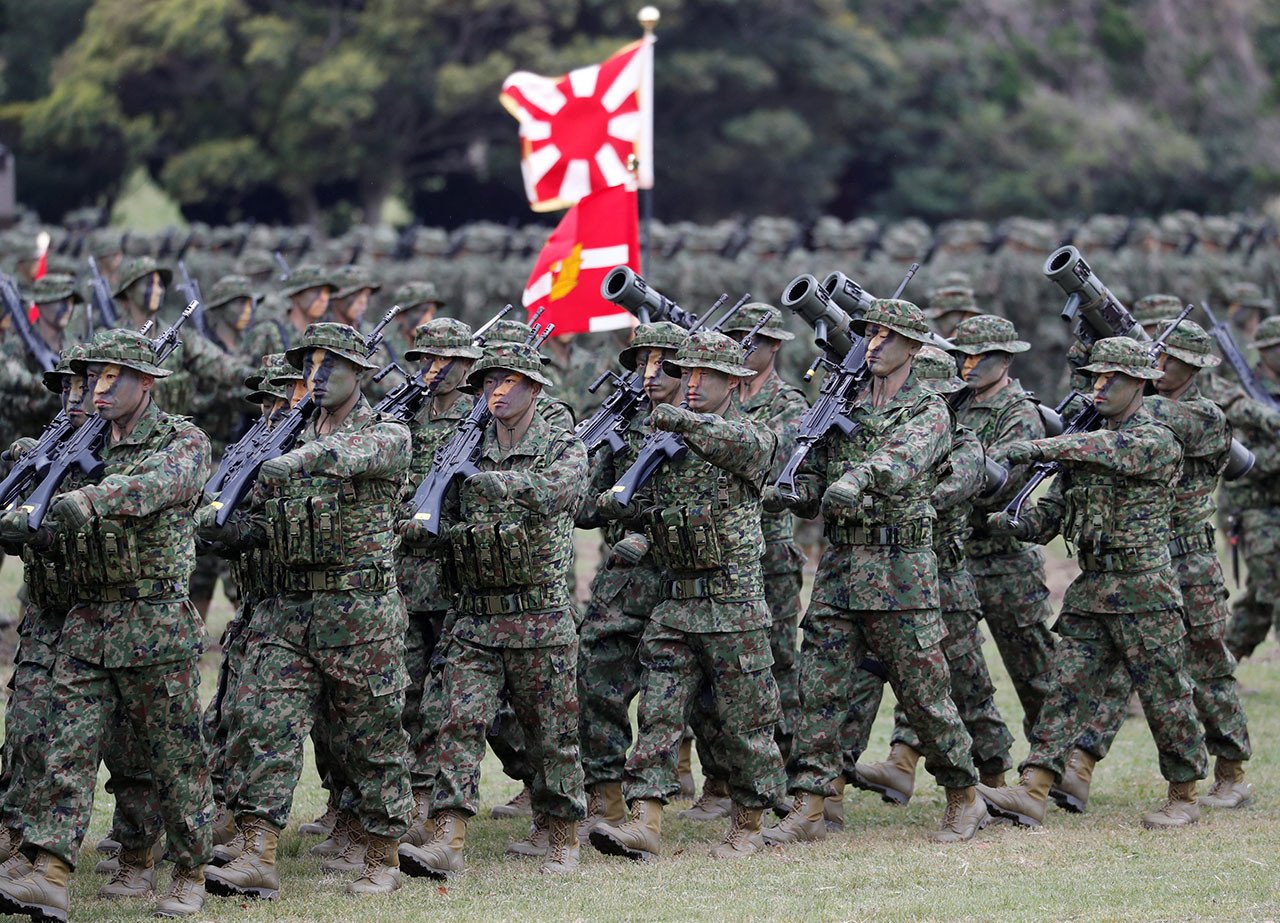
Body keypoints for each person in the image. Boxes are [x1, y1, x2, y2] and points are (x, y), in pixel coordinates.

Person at [0, 328, 215, 919]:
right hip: (86, 621)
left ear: (145, 383)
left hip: (154, 623)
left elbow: (158, 487)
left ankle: (192, 868)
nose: (98, 386)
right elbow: (47, 519)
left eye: (112, 376)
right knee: (64, 751)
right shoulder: (77, 441)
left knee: (173, 757)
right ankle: (50, 871)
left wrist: (91, 500)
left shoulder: (182, 441)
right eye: (93, 376)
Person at [764, 299, 987, 845]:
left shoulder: (929, 409)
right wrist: (791, 489)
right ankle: (812, 802)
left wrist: (858, 479)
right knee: (818, 689)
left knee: (924, 693)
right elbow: (815, 472)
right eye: (869, 334)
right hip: (841, 569)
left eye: (887, 337)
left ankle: (964, 794)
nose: (875, 344)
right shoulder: (845, 400)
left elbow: (905, 459)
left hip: (901, 571)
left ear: (913, 346)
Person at [207, 323, 414, 899]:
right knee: (260, 723)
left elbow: (352, 454)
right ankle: (258, 850)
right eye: (310, 366)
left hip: (359, 611)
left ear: (361, 373)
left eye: (331, 366)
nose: (317, 378)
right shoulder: (284, 434)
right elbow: (257, 520)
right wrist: (222, 521)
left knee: (369, 737)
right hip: (287, 606)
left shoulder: (385, 433)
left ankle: (381, 850)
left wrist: (296, 458)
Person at [979, 336, 1209, 829]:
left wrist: (1037, 444)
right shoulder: (1086, 446)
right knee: (1064, 689)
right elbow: (1053, 514)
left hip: (1144, 590)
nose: (1099, 387)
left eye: (1113, 379)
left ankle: (1185, 794)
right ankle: (1035, 788)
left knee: (1166, 696)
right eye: (1095, 378)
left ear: (1141, 384)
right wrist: (1014, 524)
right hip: (1094, 588)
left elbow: (1107, 449)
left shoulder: (1153, 437)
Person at [589, 330, 786, 862]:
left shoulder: (752, 436)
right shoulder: (663, 443)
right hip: (675, 601)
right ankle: (645, 821)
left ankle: (749, 822)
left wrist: (679, 419)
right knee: (658, 711)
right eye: (689, 373)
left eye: (707, 376)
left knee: (746, 720)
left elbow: (745, 450)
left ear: (734, 382)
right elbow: (647, 509)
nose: (693, 383)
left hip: (734, 603)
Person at [397, 340, 587, 878]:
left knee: (551, 733)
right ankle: (446, 837)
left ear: (534, 388)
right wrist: (419, 521)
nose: (495, 393)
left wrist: (489, 483)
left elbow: (560, 492)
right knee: (453, 721)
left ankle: (561, 834)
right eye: (487, 383)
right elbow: (428, 518)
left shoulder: (560, 442)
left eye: (508, 382)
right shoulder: (462, 444)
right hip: (474, 613)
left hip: (539, 614)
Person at [1052, 321, 1253, 813]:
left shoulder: (1203, 417)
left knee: (1206, 659)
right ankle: (1080, 763)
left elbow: (1158, 417)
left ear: (1194, 367)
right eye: (1153, 358)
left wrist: (1126, 384)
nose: (1159, 365)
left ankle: (1230, 769)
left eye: (1168, 359)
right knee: (1118, 664)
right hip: (1138, 558)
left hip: (1189, 554)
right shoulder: (1129, 414)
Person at [818, 346, 1012, 822]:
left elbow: (947, 491)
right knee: (854, 689)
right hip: (880, 575)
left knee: (959, 688)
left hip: (941, 581)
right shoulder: (884, 431)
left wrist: (904, 480)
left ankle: (990, 782)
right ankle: (830, 792)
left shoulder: (963, 445)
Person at [575, 322, 690, 838]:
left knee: (702, 702)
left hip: (688, 576)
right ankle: (606, 797)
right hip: (625, 581)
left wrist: (649, 529)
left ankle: (732, 798)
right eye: (641, 364)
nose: (649, 375)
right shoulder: (624, 425)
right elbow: (583, 505)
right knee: (598, 678)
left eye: (661, 364)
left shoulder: (711, 424)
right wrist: (614, 499)